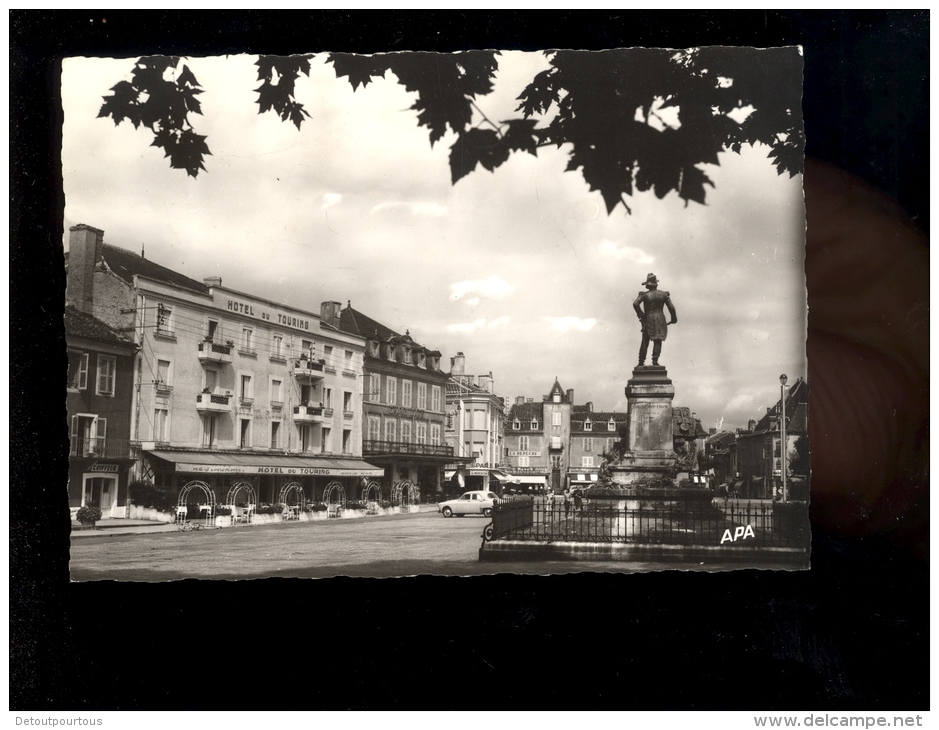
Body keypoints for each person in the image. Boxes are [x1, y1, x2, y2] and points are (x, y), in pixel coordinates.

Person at [632, 273, 677, 367]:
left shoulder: (644, 295)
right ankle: (655, 361)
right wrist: (673, 319)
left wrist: (642, 316)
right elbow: (671, 308)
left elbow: (636, 304)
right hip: (660, 318)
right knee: (658, 339)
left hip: (648, 318)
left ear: (648, 285)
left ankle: (641, 362)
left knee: (645, 340)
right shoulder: (663, 294)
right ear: (656, 284)